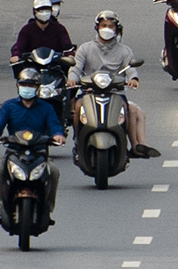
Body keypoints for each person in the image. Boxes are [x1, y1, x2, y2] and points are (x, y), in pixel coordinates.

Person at [68, 10, 159, 158]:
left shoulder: (124, 51)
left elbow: (131, 69)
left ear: (116, 29)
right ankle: (78, 141)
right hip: (89, 92)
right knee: (78, 107)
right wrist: (72, 78)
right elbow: (76, 68)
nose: (107, 29)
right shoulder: (85, 48)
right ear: (97, 27)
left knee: (128, 110)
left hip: (116, 93)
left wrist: (133, 79)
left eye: (111, 26)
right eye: (103, 25)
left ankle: (130, 145)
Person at [0, 68, 65, 224]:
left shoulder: (46, 107)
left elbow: (55, 125)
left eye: (31, 84)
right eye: (23, 84)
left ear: (37, 87)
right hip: (14, 152)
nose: (27, 87)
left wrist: (58, 135)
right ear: (18, 86)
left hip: (39, 152)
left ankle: (47, 211)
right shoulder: (9, 106)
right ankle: (2, 211)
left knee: (54, 172)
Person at [9, 0, 75, 75]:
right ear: (34, 12)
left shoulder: (59, 29)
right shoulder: (27, 29)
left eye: (47, 10)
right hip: (32, 69)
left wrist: (70, 56)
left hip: (54, 69)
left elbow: (67, 46)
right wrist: (16, 56)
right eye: (41, 10)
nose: (44, 13)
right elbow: (19, 47)